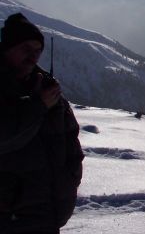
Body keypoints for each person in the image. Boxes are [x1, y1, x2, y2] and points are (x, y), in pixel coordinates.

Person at [0, 13, 83, 234]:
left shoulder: (46, 89)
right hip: (11, 219)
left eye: (37, 51)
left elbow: (70, 137)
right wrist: (38, 106)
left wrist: (71, 177)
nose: (33, 57)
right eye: (26, 49)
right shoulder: (39, 97)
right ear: (8, 48)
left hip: (48, 216)